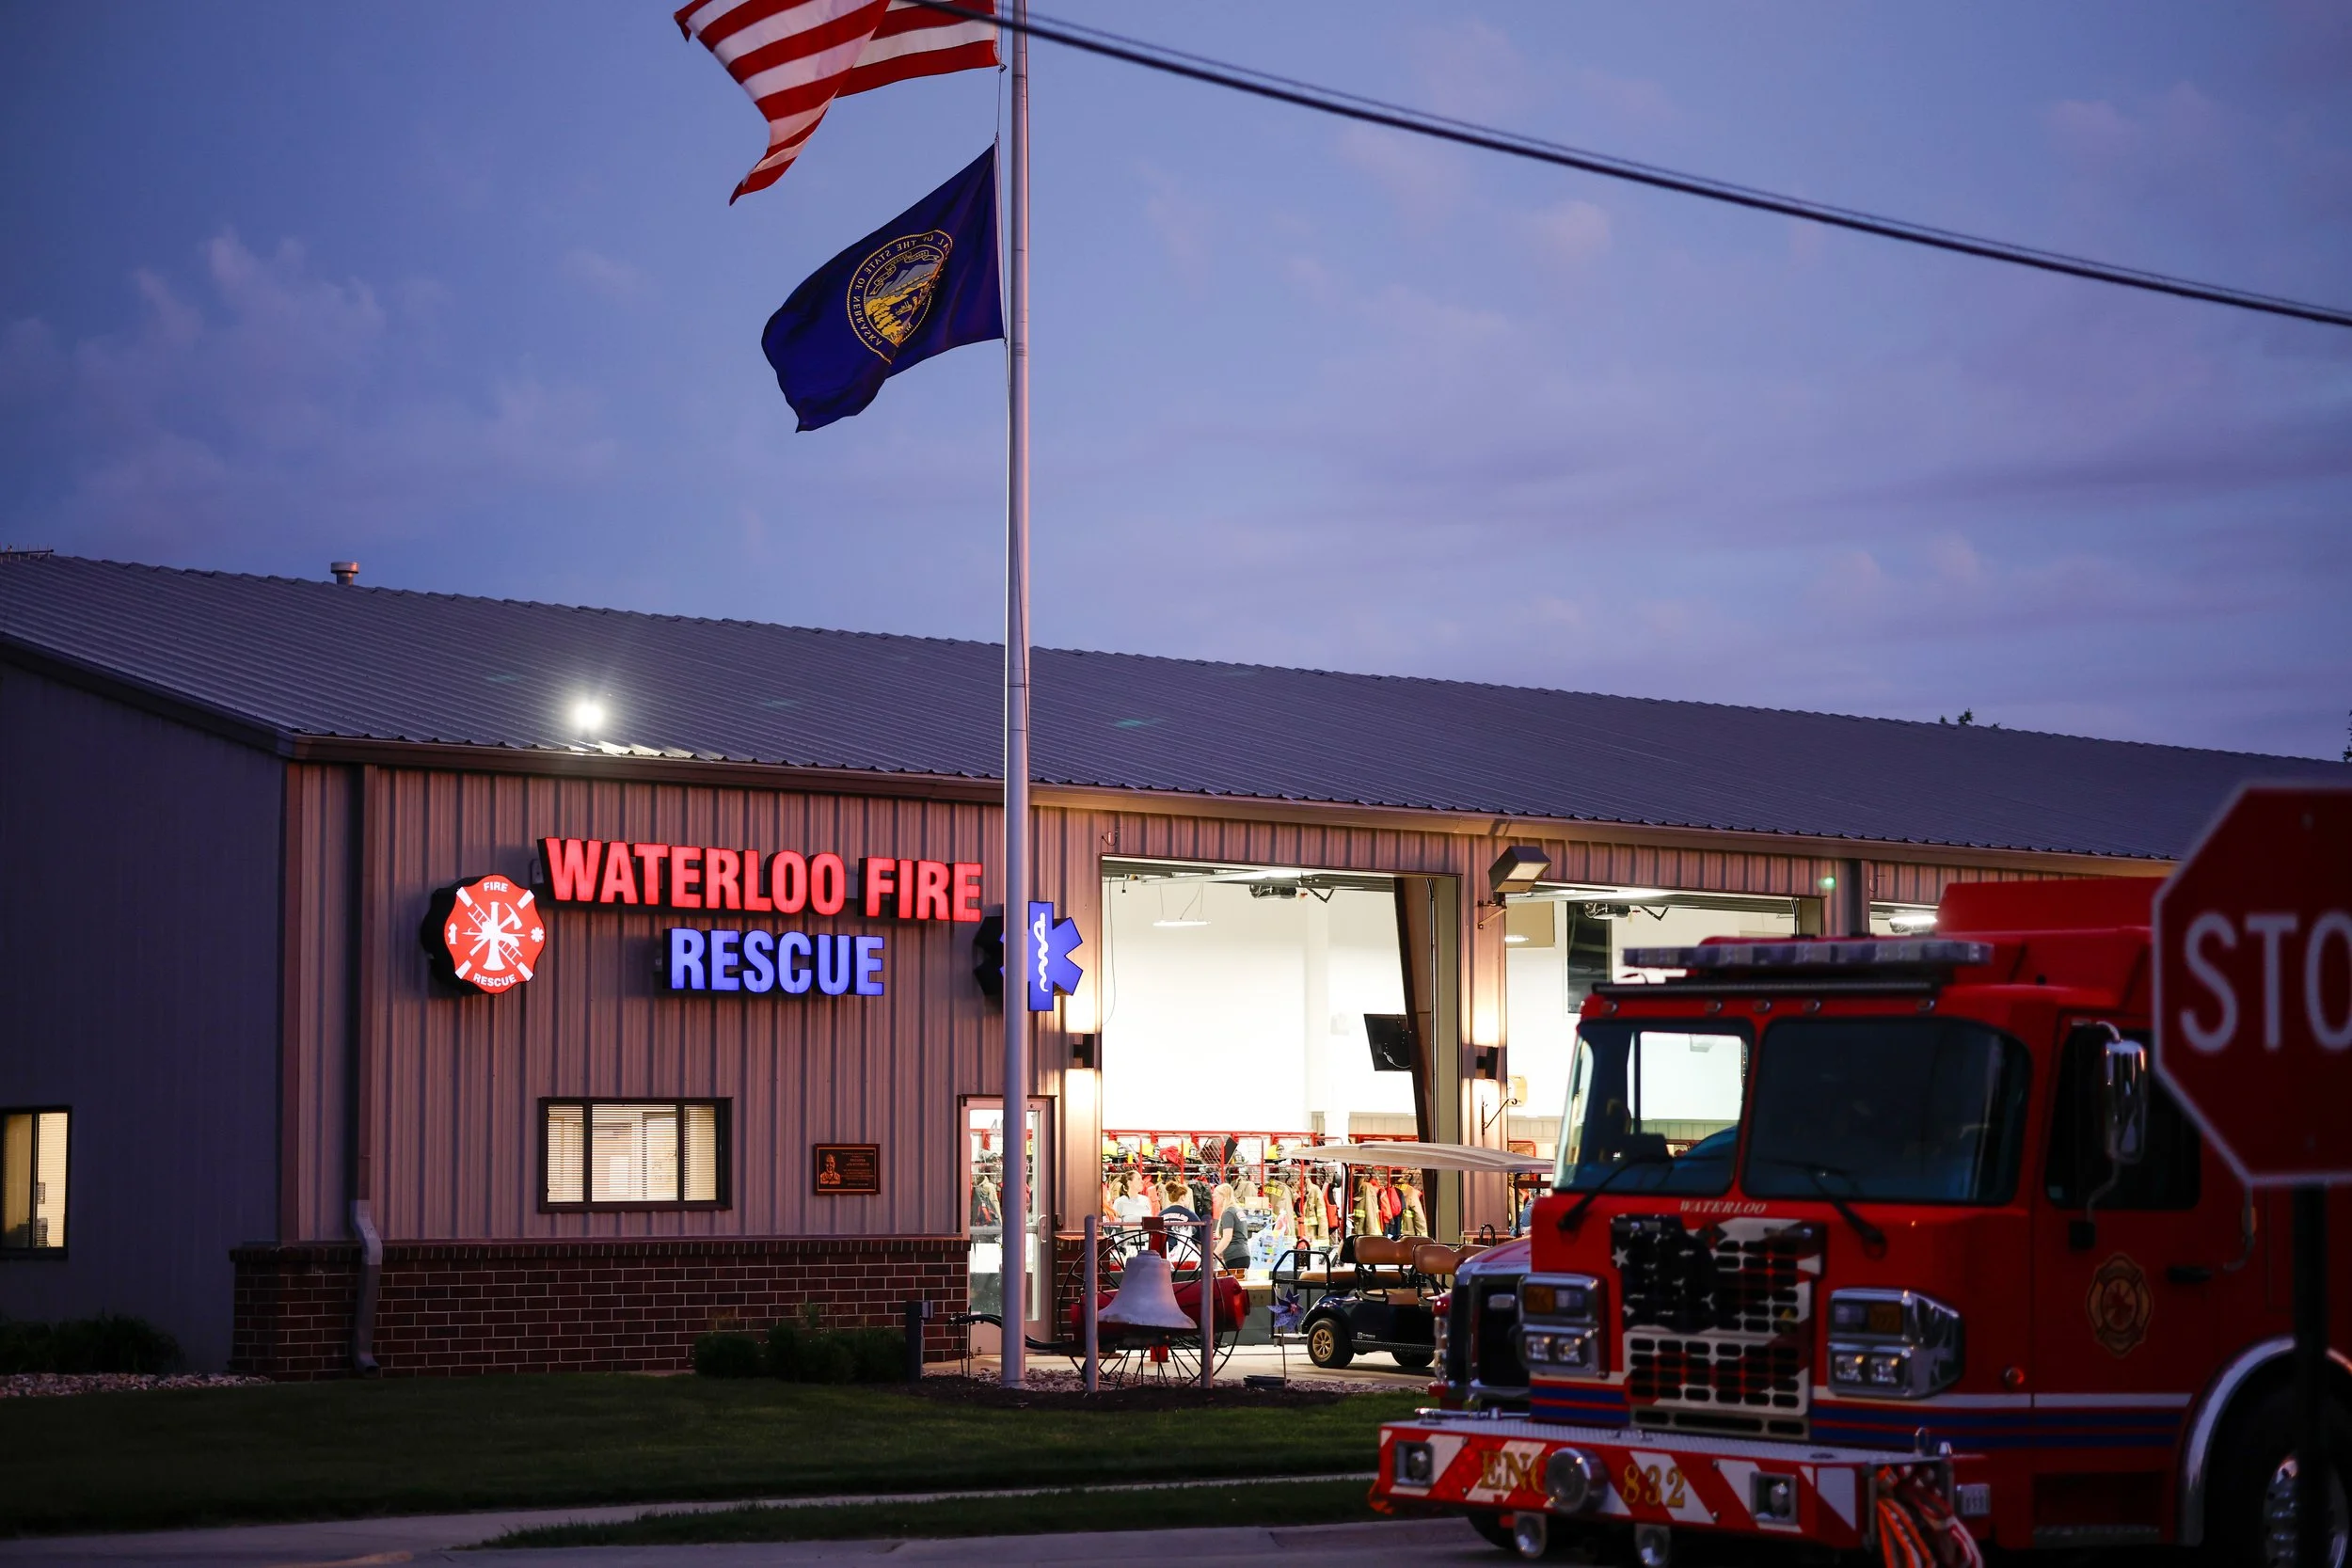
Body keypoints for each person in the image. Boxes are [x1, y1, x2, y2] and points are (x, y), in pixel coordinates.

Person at [1213, 1181, 1250, 1271]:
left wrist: (1213, 1255)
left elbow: (1227, 1238)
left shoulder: (1228, 1213)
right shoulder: (1238, 1211)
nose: (1214, 1199)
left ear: (1223, 1196)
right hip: (1243, 1254)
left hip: (1234, 1257)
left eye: (1216, 1196)